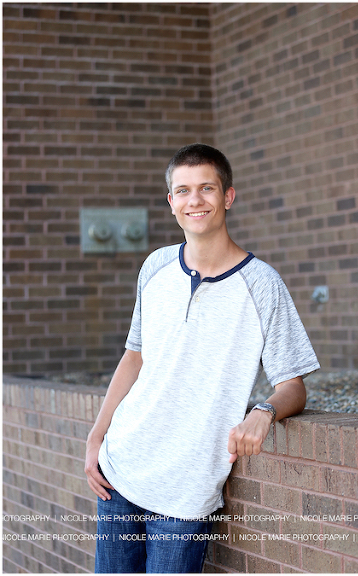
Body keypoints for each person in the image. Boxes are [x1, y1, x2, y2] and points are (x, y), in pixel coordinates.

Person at [84, 143, 320, 573]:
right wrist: (97, 436)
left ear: (227, 197)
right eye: (184, 190)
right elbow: (134, 357)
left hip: (186, 493)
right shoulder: (154, 267)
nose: (195, 200)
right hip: (120, 471)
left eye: (207, 188)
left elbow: (293, 386)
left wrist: (264, 412)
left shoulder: (262, 284)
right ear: (171, 201)